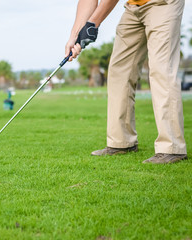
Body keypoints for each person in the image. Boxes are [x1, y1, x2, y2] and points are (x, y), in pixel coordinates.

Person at [66, 0, 187, 164]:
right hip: (133, 7)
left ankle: (171, 148)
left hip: (162, 3)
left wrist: (93, 23)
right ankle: (121, 143)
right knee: (119, 72)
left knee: (161, 69)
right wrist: (75, 36)